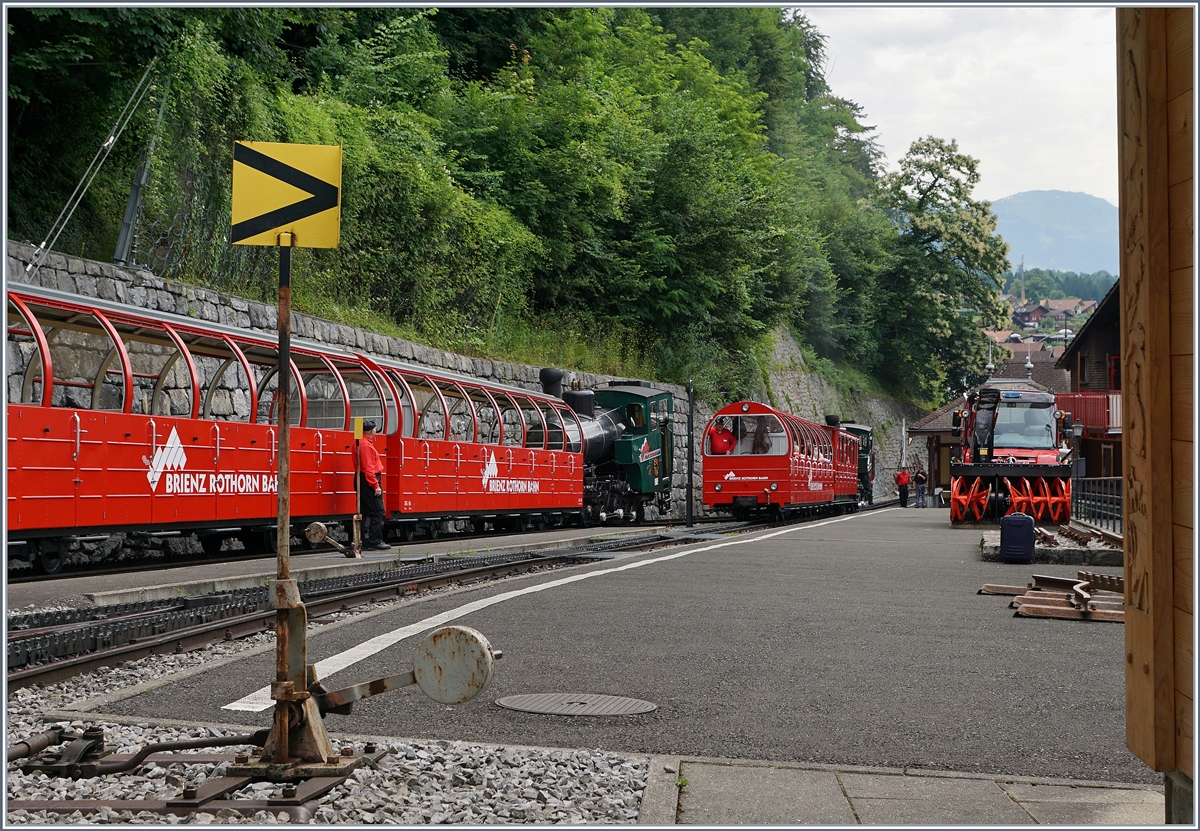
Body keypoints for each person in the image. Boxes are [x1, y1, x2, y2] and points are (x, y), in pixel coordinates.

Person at [358, 420, 390, 551]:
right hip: (369, 480)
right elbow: (369, 468)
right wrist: (376, 485)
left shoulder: (360, 442)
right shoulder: (366, 445)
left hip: (363, 479)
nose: (376, 432)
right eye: (375, 429)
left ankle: (365, 540)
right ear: (371, 431)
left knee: (365, 511)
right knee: (378, 511)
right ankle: (374, 540)